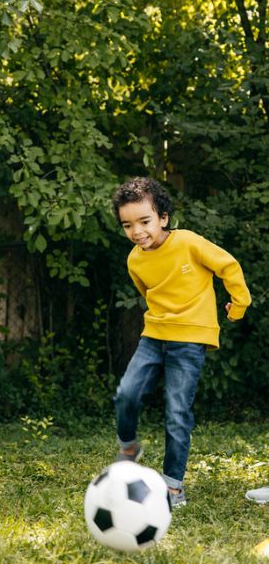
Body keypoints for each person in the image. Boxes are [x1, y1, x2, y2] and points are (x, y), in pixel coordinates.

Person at [111, 177, 251, 508]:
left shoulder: (188, 242)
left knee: (177, 412)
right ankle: (129, 447)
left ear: (163, 217)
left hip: (189, 341)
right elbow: (147, 293)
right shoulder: (135, 260)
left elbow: (227, 266)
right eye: (128, 225)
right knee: (126, 394)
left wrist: (239, 304)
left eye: (144, 221)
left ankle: (173, 486)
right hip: (153, 336)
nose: (137, 231)